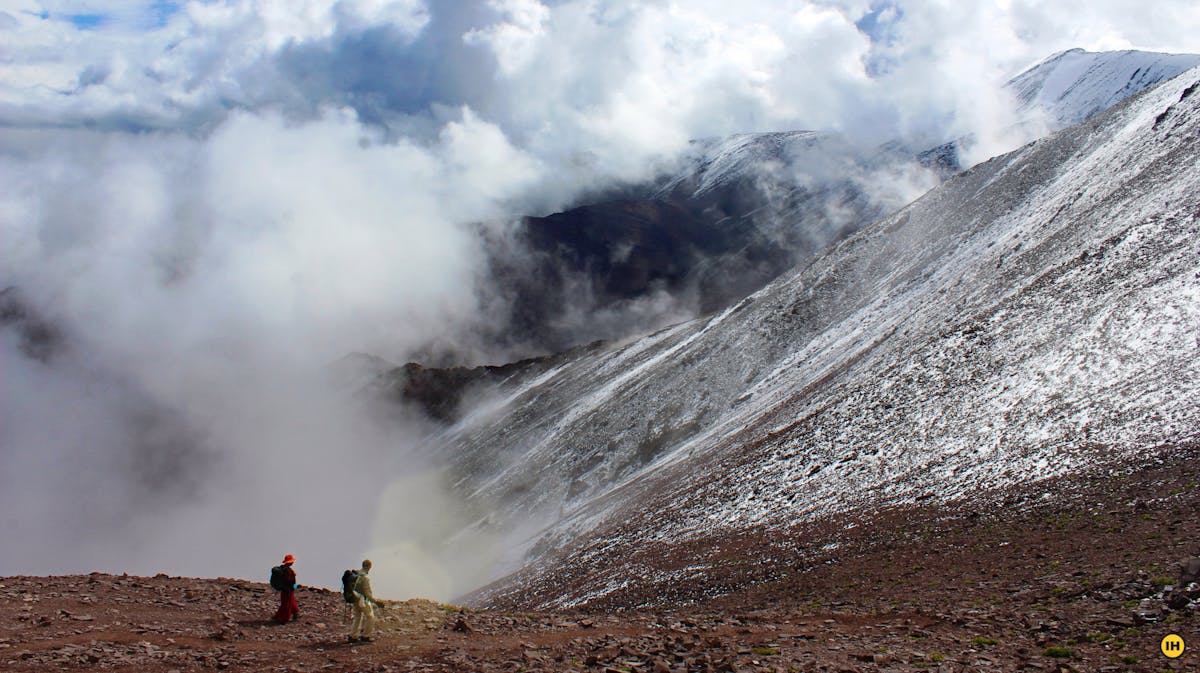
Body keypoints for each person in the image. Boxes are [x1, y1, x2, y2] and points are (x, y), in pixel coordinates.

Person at [349, 559, 383, 642]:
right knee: (370, 617)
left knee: (357, 617)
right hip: (363, 600)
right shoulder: (365, 577)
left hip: (354, 598)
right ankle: (365, 636)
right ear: (369, 566)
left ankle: (353, 636)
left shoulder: (356, 574)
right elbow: (368, 593)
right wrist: (376, 601)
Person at [273, 553, 299, 624]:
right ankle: (283, 618)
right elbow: (291, 581)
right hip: (289, 590)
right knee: (287, 604)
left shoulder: (282, 568)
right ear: (290, 562)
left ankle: (295, 614)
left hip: (284, 589)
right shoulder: (289, 571)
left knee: (288, 602)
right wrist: (295, 587)